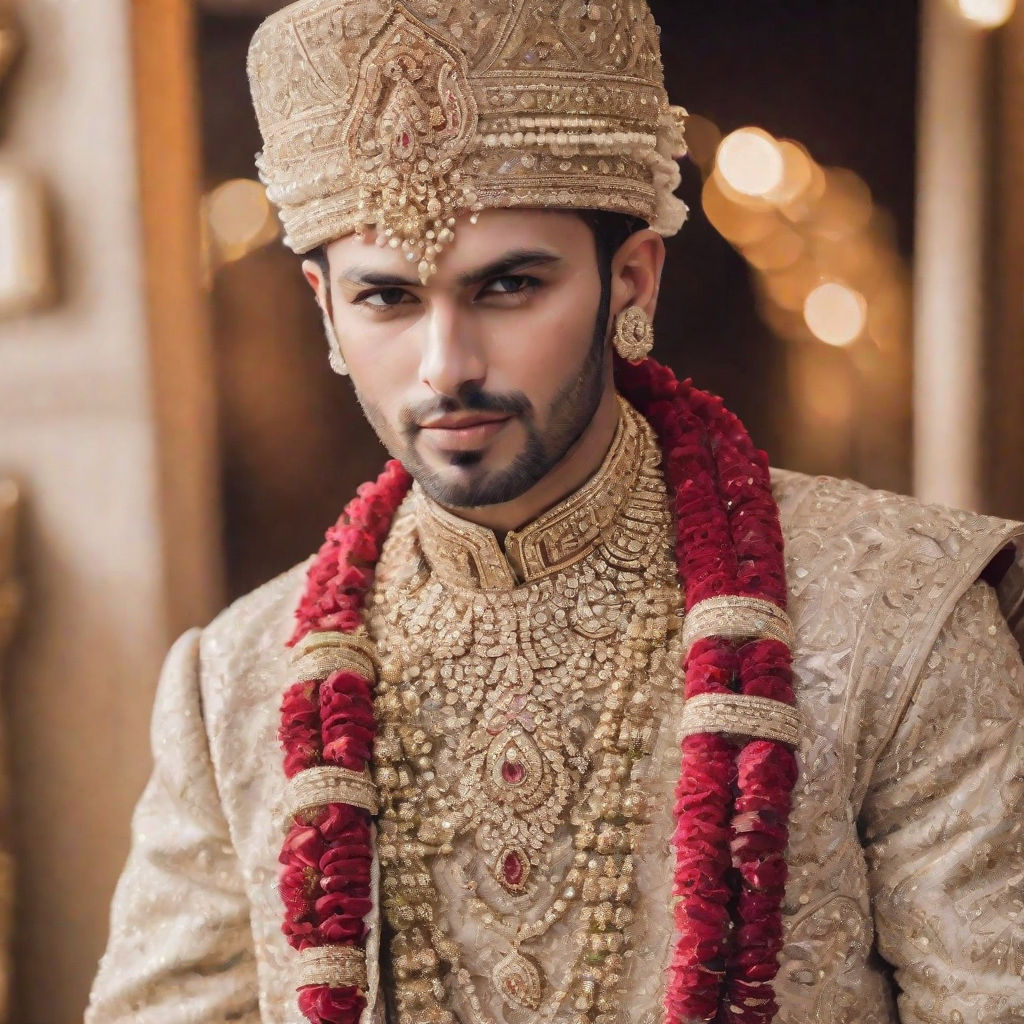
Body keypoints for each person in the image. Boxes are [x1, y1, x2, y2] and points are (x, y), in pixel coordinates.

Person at [86, 2, 1024, 1023]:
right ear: (324, 308)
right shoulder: (235, 685)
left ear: (631, 279)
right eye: (389, 299)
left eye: (508, 287)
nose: (445, 365)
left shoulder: (897, 618)